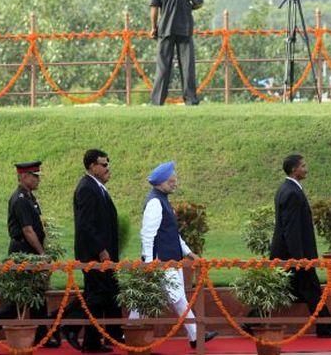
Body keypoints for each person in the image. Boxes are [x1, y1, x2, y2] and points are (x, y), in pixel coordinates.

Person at [129, 161, 218, 349]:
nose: (175, 184)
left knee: (146, 298)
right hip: (161, 262)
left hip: (167, 260)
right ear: (161, 182)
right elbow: (147, 234)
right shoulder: (155, 202)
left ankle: (129, 332)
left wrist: (189, 253)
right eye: (171, 181)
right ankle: (195, 336)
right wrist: (149, 262)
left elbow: (172, 234)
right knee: (176, 298)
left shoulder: (162, 200)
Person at [0, 161, 60, 348]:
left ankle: (42, 336)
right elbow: (28, 230)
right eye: (34, 176)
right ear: (23, 176)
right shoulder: (20, 198)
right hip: (23, 251)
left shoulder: (29, 197)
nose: (38, 179)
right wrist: (42, 254)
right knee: (21, 297)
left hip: (29, 250)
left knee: (36, 294)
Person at [62, 149, 123, 353]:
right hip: (94, 256)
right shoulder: (87, 188)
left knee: (100, 295)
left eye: (108, 164)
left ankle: (91, 340)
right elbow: (86, 224)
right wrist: (101, 250)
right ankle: (70, 327)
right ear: (91, 166)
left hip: (102, 254)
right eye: (104, 165)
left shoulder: (96, 187)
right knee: (98, 295)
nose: (108, 168)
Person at [268, 154, 331, 337]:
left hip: (290, 253)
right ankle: (326, 327)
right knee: (309, 288)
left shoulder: (287, 189)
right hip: (294, 254)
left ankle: (326, 327)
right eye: (303, 166)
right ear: (294, 170)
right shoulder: (291, 192)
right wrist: (299, 258)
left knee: (300, 289)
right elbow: (292, 228)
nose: (306, 169)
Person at [149, 0, 204, 106]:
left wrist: (154, 27)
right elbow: (199, 3)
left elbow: (154, 7)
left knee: (163, 66)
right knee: (187, 67)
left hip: (166, 28)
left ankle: (158, 100)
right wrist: (189, 7)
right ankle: (191, 100)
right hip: (185, 28)